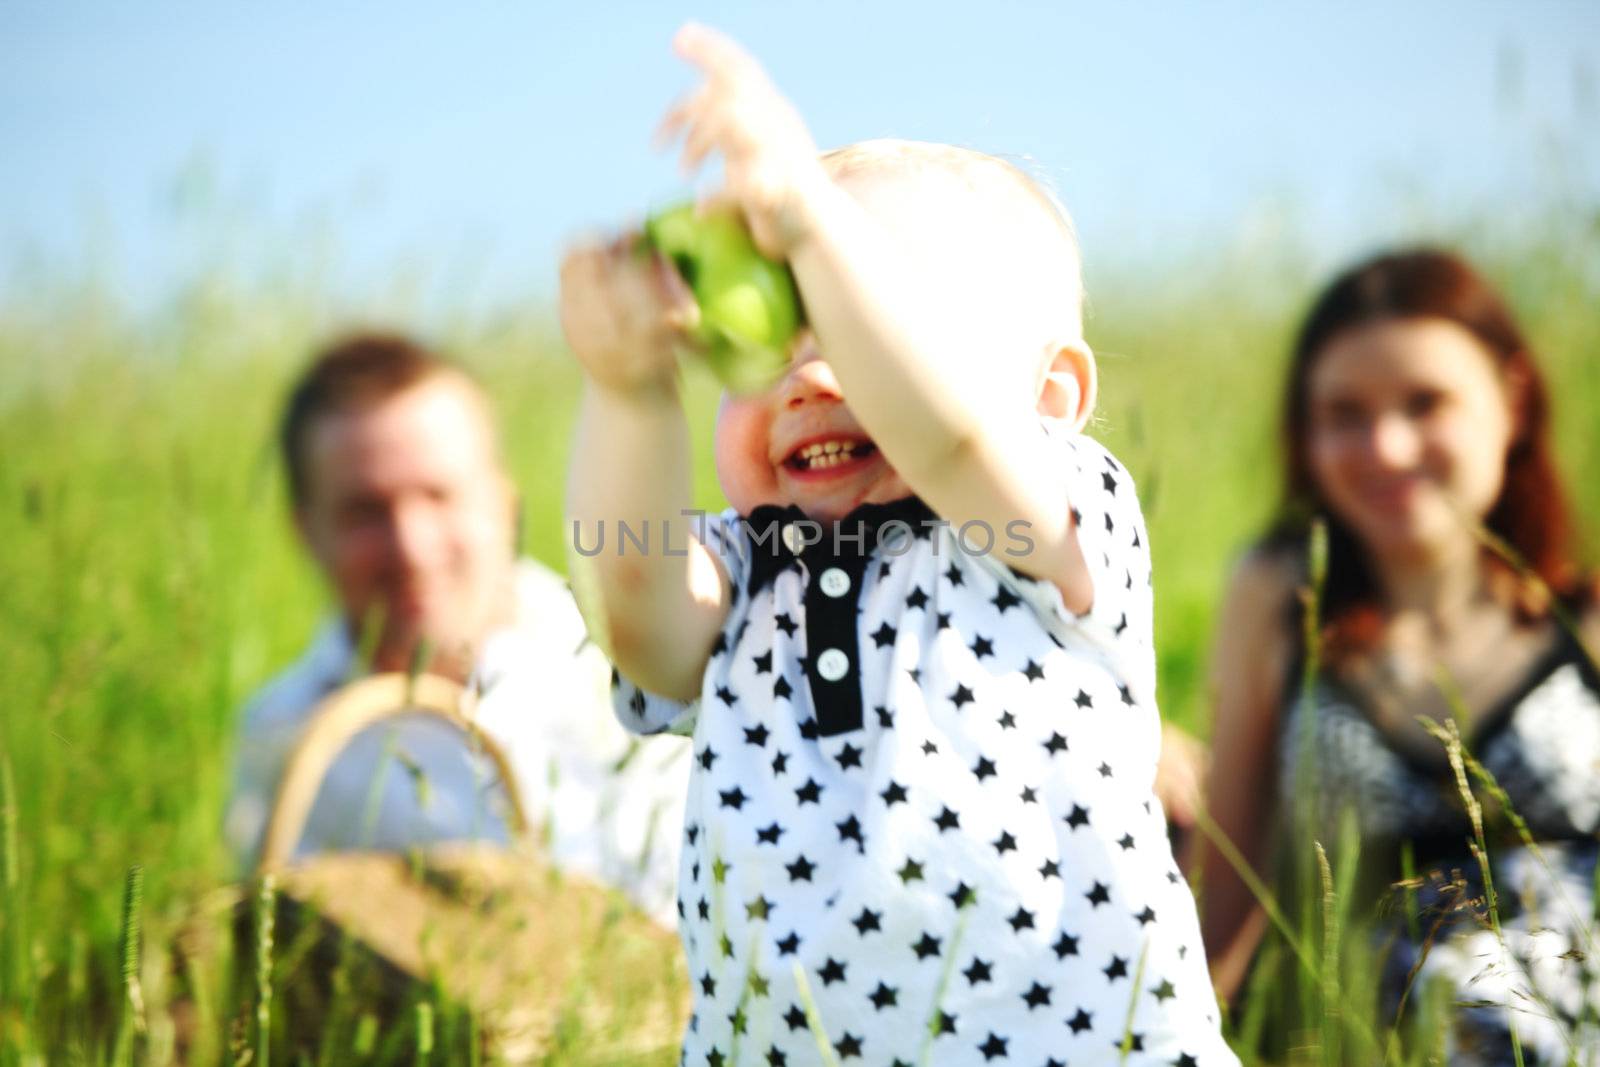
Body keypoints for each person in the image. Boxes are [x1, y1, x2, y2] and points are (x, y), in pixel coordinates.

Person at [561, 24, 1236, 1064]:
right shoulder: (747, 576)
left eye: (867, 321)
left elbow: (954, 435)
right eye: (778, 333)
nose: (809, 375)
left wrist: (806, 223)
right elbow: (635, 604)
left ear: (1050, 398)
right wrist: (627, 392)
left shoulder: (1045, 523)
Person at [1197, 248, 1600, 1060]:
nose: (1386, 446)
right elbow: (1226, 884)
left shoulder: (1585, 616)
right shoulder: (1279, 599)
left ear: (1512, 402)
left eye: (1427, 402)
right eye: (1345, 413)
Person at [224, 332, 688, 925]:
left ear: (503, 500)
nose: (411, 547)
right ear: (305, 530)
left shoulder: (646, 656)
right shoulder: (281, 738)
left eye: (439, 495)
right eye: (364, 511)